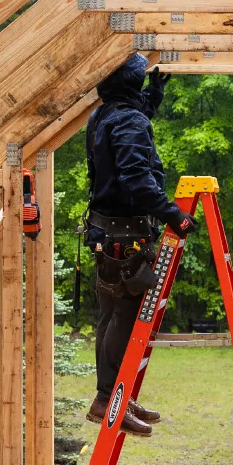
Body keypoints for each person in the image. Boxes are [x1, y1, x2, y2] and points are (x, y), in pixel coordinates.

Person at [84, 53, 194, 434]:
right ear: (130, 84)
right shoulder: (128, 120)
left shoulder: (102, 115)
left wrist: (154, 96)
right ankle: (108, 399)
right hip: (126, 236)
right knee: (123, 319)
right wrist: (172, 215)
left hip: (106, 234)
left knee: (108, 317)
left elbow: (131, 116)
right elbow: (136, 177)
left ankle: (114, 395)